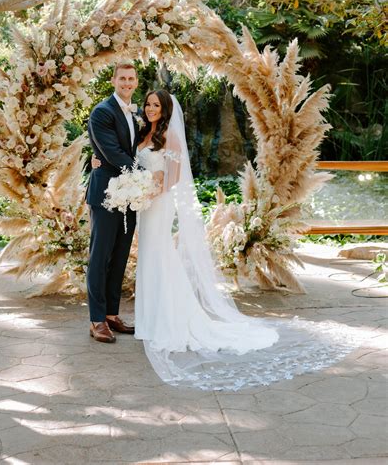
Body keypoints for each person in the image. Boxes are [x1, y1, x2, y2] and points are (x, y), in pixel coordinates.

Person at [92, 89, 362, 389]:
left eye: (156, 105)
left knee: (160, 256)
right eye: (148, 104)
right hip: (144, 206)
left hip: (159, 204)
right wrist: (100, 161)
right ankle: (150, 320)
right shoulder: (142, 133)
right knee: (150, 259)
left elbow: (174, 177)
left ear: (166, 109)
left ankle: (170, 321)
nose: (151, 108)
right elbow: (123, 157)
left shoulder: (171, 137)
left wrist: (150, 191)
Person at [85, 61, 140, 344]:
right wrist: (147, 175)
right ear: (113, 81)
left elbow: (139, 147)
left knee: (119, 257)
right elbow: (114, 153)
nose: (127, 83)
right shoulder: (102, 112)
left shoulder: (138, 112)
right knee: (100, 258)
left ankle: (111, 314)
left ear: (136, 82)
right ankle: (96, 320)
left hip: (131, 196)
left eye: (131, 78)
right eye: (122, 78)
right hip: (106, 195)